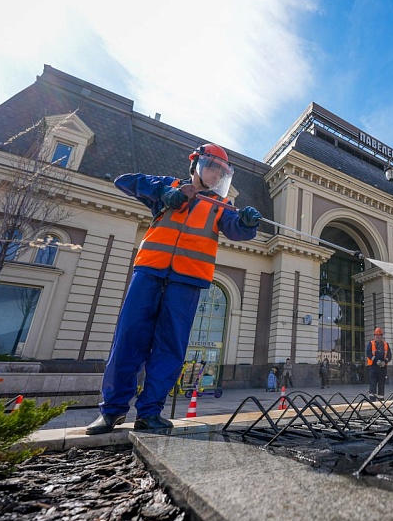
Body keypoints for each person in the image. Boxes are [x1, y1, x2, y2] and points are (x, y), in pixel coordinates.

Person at [86, 143, 261, 435]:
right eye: (211, 167)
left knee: (170, 347)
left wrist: (247, 222)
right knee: (128, 340)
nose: (216, 175)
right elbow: (125, 181)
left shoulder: (222, 205)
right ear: (195, 165)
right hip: (150, 273)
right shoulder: (169, 187)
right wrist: (164, 194)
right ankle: (112, 411)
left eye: (221, 171)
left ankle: (149, 413)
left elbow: (237, 229)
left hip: (187, 282)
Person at [365, 327, 391, 400]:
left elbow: (389, 355)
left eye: (379, 335)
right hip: (373, 367)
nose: (377, 336)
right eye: (376, 335)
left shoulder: (386, 345)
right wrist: (376, 361)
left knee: (381, 385)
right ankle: (372, 401)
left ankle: (381, 400)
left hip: (382, 368)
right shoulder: (371, 343)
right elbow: (368, 353)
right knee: (372, 384)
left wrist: (385, 362)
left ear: (381, 336)